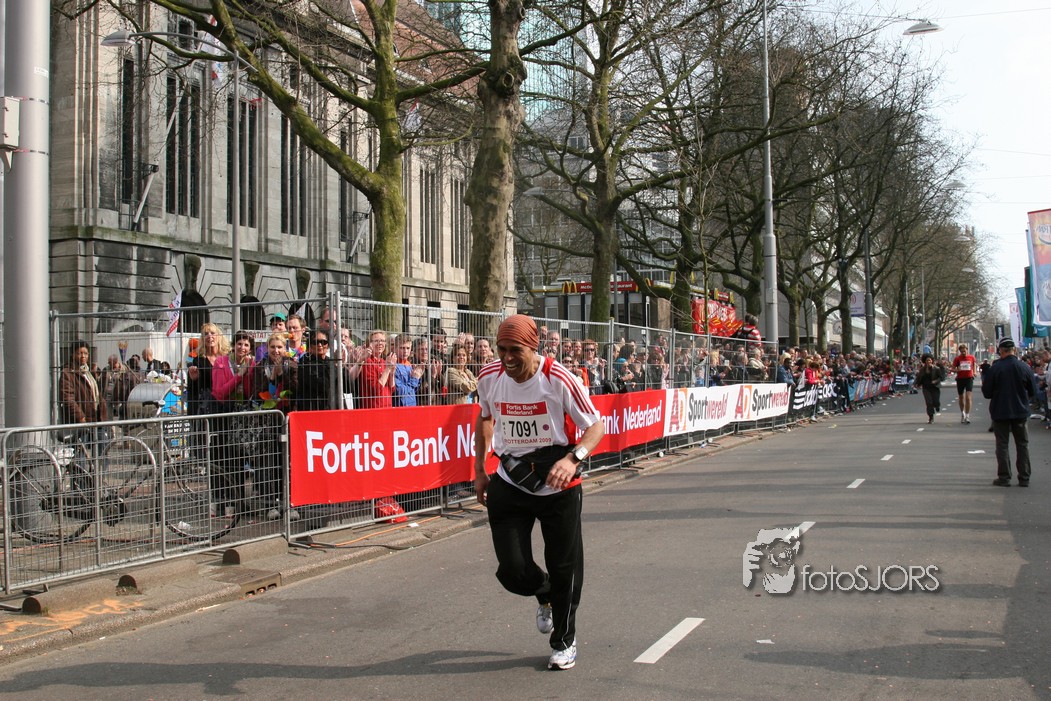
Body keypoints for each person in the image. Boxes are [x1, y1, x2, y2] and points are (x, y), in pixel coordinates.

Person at [473, 314, 604, 671]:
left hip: (557, 483)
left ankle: (564, 640)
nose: (507, 358)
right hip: (511, 479)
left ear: (533, 347)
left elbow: (595, 426)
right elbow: (484, 418)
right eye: (501, 349)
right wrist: (480, 470)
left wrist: (573, 459)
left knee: (565, 568)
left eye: (515, 350)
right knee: (513, 569)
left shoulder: (558, 378)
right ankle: (543, 592)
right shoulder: (490, 376)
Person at [982, 337, 1039, 487]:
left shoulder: (995, 368)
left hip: (1000, 411)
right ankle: (1024, 477)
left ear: (1001, 350)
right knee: (1022, 444)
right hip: (1020, 411)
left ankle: (1004, 476)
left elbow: (987, 392)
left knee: (1002, 444)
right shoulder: (1024, 367)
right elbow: (1033, 391)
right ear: (1014, 349)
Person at [60, 340, 106, 425]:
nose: (83, 356)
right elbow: (68, 399)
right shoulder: (68, 373)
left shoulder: (90, 372)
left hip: (97, 418)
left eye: (86, 353)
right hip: (80, 422)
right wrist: (80, 417)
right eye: (79, 353)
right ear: (73, 354)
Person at [357, 330, 396, 409]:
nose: (380, 343)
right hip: (373, 408)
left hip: (387, 407)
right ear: (369, 344)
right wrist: (387, 369)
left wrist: (392, 374)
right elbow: (376, 390)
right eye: (376, 341)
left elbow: (392, 389)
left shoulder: (383, 362)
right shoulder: (367, 362)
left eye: (382, 341)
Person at [914, 354, 945, 424]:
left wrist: (935, 381)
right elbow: (918, 377)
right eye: (927, 360)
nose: (929, 362)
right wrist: (915, 384)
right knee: (929, 402)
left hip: (935, 387)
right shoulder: (922, 369)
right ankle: (931, 417)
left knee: (936, 402)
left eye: (930, 360)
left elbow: (941, 378)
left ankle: (937, 406)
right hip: (926, 388)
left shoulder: (936, 369)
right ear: (925, 361)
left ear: (932, 361)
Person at [951, 343, 978, 424]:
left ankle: (967, 415)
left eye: (964, 351)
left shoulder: (971, 357)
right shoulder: (957, 359)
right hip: (960, 379)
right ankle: (962, 413)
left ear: (967, 350)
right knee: (961, 397)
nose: (963, 353)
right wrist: (957, 370)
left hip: (969, 378)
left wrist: (975, 372)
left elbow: (974, 365)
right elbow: (952, 369)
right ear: (960, 351)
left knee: (968, 397)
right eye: (962, 351)